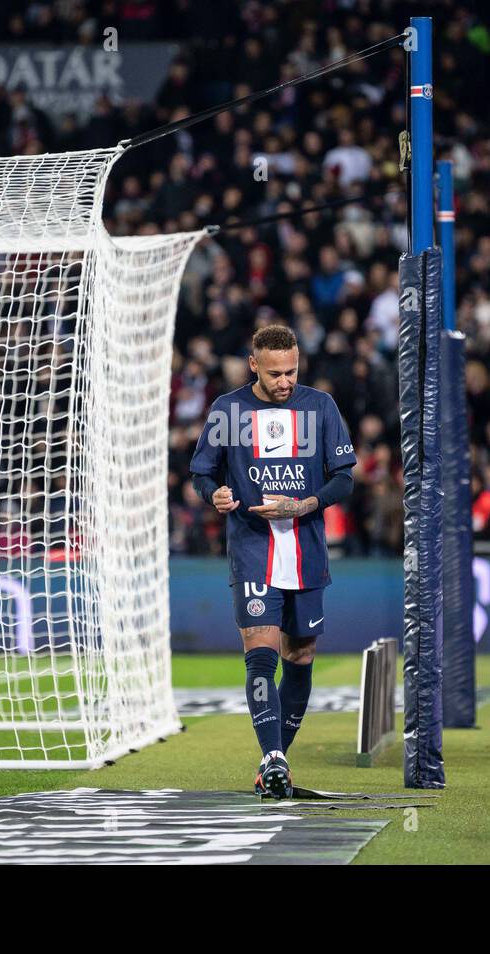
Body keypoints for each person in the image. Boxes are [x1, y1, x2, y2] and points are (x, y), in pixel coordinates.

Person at [188, 324, 356, 798]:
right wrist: (214, 494)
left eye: (292, 371)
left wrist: (301, 506)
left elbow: (344, 479)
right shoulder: (227, 410)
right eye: (276, 373)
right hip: (253, 550)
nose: (285, 381)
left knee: (299, 657)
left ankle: (274, 759)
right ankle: (274, 757)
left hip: (306, 550)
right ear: (254, 364)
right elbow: (201, 474)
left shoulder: (320, 406)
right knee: (260, 657)